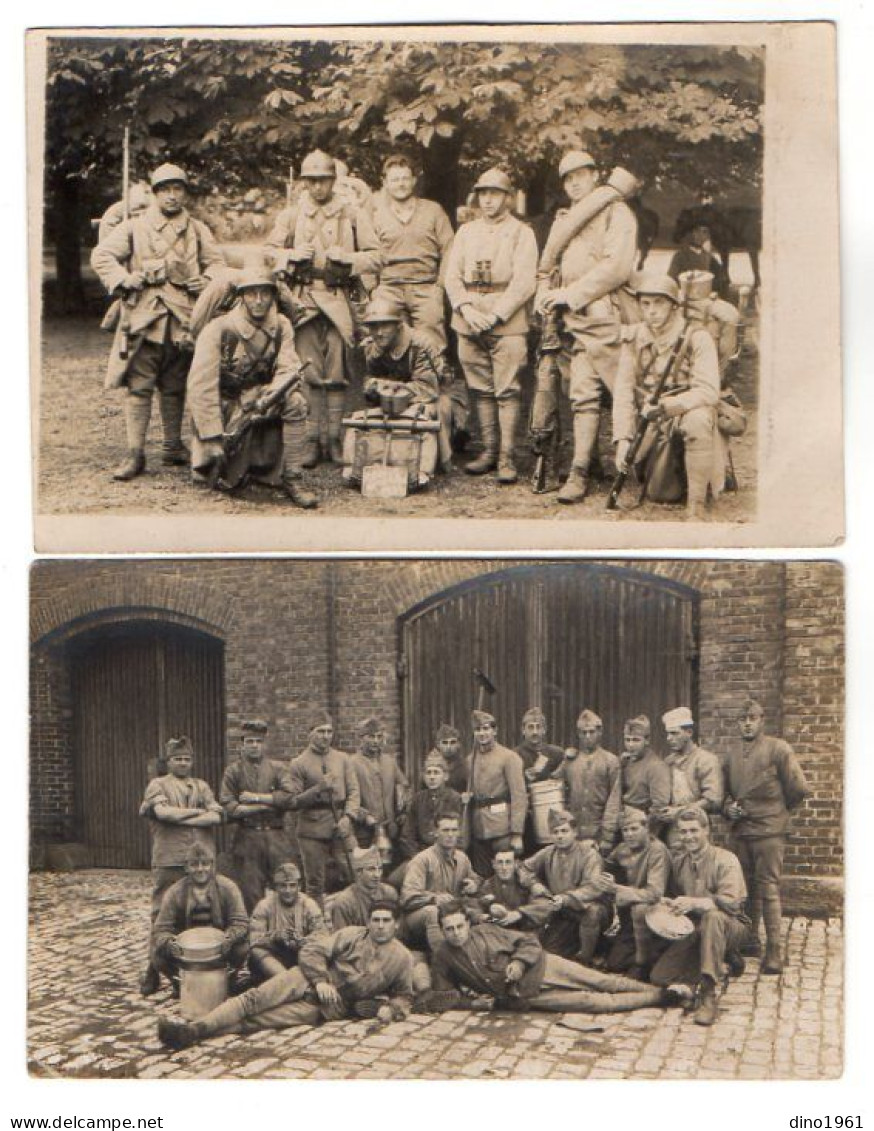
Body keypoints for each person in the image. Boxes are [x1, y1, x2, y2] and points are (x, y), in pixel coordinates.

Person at [91, 163, 225, 480]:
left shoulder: (197, 229)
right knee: (139, 387)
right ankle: (135, 454)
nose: (172, 196)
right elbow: (102, 256)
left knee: (175, 386)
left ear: (185, 193)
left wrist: (206, 278)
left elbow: (218, 264)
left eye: (177, 189)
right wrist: (124, 279)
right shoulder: (135, 227)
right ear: (155, 194)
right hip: (143, 317)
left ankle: (171, 446)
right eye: (165, 189)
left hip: (184, 317)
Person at [158, 902, 414, 1048]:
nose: (380, 926)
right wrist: (321, 980)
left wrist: (391, 1010)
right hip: (304, 977)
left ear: (397, 924)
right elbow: (313, 950)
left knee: (258, 1021)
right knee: (253, 999)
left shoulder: (402, 959)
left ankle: (197, 1034)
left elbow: (404, 996)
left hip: (329, 1007)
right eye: (376, 920)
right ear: (369, 921)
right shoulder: (352, 935)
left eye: (386, 921)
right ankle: (194, 1029)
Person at [264, 149, 381, 467]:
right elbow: (269, 252)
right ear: (304, 183)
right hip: (303, 300)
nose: (318, 187)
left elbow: (376, 256)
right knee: (308, 370)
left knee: (338, 373)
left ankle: (335, 439)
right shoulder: (291, 215)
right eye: (312, 181)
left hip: (338, 297)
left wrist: (350, 259)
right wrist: (290, 254)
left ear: (333, 180)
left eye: (324, 180)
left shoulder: (353, 214)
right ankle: (312, 440)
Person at [535, 150, 637, 504]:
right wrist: (545, 294)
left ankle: (637, 468)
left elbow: (616, 268)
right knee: (582, 393)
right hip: (575, 322)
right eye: (568, 178)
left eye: (581, 174)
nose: (575, 182)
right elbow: (549, 268)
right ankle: (581, 470)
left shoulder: (616, 212)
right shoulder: (566, 219)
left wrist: (570, 294)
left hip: (610, 318)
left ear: (596, 175)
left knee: (627, 393)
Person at [185, 266, 318, 508]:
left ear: (273, 296)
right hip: (228, 408)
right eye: (251, 294)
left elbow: (289, 366)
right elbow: (201, 387)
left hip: (262, 400)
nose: (258, 301)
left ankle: (293, 477)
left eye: (265, 294)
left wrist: (274, 391)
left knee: (296, 402)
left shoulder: (281, 325)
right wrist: (213, 437)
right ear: (241, 297)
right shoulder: (218, 329)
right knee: (219, 474)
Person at [444, 167, 538, 483]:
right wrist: (467, 309)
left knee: (507, 390)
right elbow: (451, 277)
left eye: (495, 193)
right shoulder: (466, 232)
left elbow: (525, 282)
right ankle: (488, 450)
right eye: (483, 193)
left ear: (508, 197)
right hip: (469, 317)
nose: (488, 200)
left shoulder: (522, 233)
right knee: (480, 389)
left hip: (507, 320)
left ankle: (507, 456)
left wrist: (497, 314)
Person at [429, 902, 678, 1015]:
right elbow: (443, 996)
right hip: (527, 995)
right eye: (449, 929)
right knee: (595, 1003)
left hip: (545, 967)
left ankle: (663, 991)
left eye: (459, 926)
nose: (456, 933)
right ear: (441, 930)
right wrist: (472, 1004)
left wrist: (518, 962)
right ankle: (663, 998)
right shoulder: (443, 957)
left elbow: (528, 940)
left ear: (467, 923)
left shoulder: (487, 931)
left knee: (605, 982)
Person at [612, 272, 722, 520]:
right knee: (658, 492)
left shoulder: (697, 337)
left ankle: (696, 504)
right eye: (645, 304)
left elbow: (708, 391)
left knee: (699, 419)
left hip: (686, 410)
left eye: (659, 303)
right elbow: (623, 392)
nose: (651, 311)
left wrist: (668, 406)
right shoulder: (634, 337)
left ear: (674, 304)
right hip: (650, 422)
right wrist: (622, 440)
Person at [723, 699, 809, 973]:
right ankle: (750, 939)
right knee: (746, 887)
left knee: (769, 887)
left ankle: (774, 951)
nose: (747, 723)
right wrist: (729, 808)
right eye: (742, 718)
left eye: (752, 718)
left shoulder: (778, 749)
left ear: (762, 721)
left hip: (770, 831)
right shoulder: (732, 753)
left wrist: (777, 813)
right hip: (742, 831)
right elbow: (724, 792)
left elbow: (798, 788)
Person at [644, 808, 750, 1027]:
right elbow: (676, 898)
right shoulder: (680, 862)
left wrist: (694, 902)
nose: (688, 837)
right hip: (697, 929)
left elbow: (732, 903)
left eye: (694, 830)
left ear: (706, 830)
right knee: (660, 977)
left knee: (713, 918)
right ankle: (723, 961)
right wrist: (668, 903)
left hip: (731, 926)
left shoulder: (726, 859)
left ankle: (708, 994)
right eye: (683, 832)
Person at [137, 735, 224, 996]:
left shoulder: (202, 786)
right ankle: (154, 969)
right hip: (170, 858)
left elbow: (217, 815)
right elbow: (163, 814)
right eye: (178, 759)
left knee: (201, 912)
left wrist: (183, 817)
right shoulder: (158, 785)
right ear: (169, 761)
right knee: (162, 915)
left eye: (187, 759)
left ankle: (194, 970)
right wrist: (198, 814)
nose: (183, 763)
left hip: (201, 861)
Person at [343, 298, 453, 476]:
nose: (378, 333)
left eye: (385, 326)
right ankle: (361, 466)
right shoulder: (372, 346)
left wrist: (387, 386)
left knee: (424, 416)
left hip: (436, 394)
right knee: (362, 419)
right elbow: (371, 381)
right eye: (373, 327)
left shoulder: (421, 344)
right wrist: (372, 388)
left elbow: (429, 390)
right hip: (394, 400)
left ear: (398, 325)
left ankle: (424, 470)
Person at [366, 155, 454, 349]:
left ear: (414, 180)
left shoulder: (433, 211)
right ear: (385, 183)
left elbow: (450, 248)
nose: (401, 184)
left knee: (431, 342)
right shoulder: (376, 215)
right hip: (389, 289)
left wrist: (439, 286)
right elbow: (367, 253)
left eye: (405, 179)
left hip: (426, 287)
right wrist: (372, 288)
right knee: (388, 342)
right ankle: (393, 380)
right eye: (395, 180)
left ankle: (432, 378)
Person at [219, 719, 296, 913]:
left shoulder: (278, 769)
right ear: (242, 744)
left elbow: (289, 797)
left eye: (258, 741)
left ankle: (286, 930)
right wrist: (266, 806)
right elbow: (229, 806)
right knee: (250, 891)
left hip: (277, 837)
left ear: (264, 744)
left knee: (286, 884)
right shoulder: (233, 771)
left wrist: (255, 798)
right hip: (247, 837)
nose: (254, 746)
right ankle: (255, 934)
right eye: (250, 741)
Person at [518, 807, 612, 963]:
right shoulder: (548, 852)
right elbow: (522, 867)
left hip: (587, 908)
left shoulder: (589, 854)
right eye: (555, 832)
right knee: (551, 951)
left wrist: (566, 898)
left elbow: (593, 888)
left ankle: (586, 959)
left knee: (593, 913)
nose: (560, 836)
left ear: (575, 832)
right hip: (562, 910)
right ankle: (588, 945)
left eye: (564, 831)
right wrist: (533, 884)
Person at [151, 843, 249, 992]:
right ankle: (180, 982)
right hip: (188, 952)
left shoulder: (228, 888)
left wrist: (229, 938)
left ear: (212, 865)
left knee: (242, 948)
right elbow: (160, 929)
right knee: (158, 955)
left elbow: (241, 922)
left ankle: (229, 978)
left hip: (219, 949)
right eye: (194, 864)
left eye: (205, 864)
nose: (200, 869)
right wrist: (171, 943)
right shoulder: (175, 892)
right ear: (186, 867)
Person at [285, 713, 361, 904]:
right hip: (312, 829)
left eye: (329, 731)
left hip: (341, 824)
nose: (326, 736)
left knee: (356, 872)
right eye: (321, 731)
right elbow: (293, 802)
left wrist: (349, 817)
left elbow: (354, 792)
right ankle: (317, 924)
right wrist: (318, 789)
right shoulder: (298, 763)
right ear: (310, 734)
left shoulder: (343, 759)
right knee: (315, 883)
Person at [598, 806, 672, 977]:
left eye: (634, 829)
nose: (629, 834)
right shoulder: (622, 849)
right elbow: (605, 867)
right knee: (615, 963)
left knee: (640, 908)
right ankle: (647, 953)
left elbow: (654, 894)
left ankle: (644, 963)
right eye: (625, 830)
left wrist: (617, 889)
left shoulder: (657, 850)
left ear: (646, 828)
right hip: (631, 918)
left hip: (658, 916)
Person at [400, 810, 481, 951]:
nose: (450, 835)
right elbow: (407, 898)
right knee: (432, 912)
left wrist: (474, 884)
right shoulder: (422, 860)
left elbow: (475, 878)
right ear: (435, 832)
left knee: (477, 911)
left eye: (454, 830)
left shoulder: (462, 858)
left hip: (450, 917)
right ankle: (442, 958)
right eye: (445, 830)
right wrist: (433, 898)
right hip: (419, 918)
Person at [464, 709, 527, 875]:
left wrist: (517, 833)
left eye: (486, 728)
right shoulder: (470, 760)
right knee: (482, 876)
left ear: (495, 731)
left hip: (503, 829)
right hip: (479, 830)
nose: (482, 733)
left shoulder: (509, 757)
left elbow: (519, 796)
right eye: (478, 730)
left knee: (506, 874)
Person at [554, 708, 622, 853]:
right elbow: (555, 787)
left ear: (600, 732)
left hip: (598, 832)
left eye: (591, 732)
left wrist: (607, 836)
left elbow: (614, 800)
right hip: (573, 832)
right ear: (578, 734)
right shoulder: (570, 760)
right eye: (583, 733)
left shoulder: (610, 761)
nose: (588, 736)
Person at [248, 862, 327, 984]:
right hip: (274, 960)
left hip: (301, 957)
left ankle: (294, 982)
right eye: (283, 886)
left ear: (299, 886)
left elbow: (323, 936)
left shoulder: (309, 905)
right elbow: (254, 940)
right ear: (276, 887)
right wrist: (276, 936)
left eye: (292, 885)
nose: (288, 890)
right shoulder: (264, 906)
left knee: (318, 953)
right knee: (256, 952)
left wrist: (302, 941)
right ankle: (288, 981)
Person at [656, 707, 723, 850]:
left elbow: (714, 800)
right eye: (668, 734)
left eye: (674, 733)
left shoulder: (706, 760)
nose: (669, 739)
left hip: (696, 829)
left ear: (689, 733)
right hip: (672, 830)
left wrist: (679, 811)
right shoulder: (668, 761)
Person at [349, 716, 409, 860]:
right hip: (364, 831)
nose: (376, 741)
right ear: (362, 738)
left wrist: (403, 809)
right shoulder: (352, 763)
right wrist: (364, 816)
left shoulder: (390, 762)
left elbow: (404, 786)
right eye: (371, 737)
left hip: (390, 829)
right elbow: (348, 797)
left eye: (379, 737)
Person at [395, 750, 463, 865]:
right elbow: (407, 835)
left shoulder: (455, 799)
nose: (432, 777)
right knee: (393, 880)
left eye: (436, 773)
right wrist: (417, 857)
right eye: (428, 773)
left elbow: (461, 837)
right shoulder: (418, 799)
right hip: (421, 854)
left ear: (445, 776)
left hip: (448, 855)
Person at [515, 707, 565, 853]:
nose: (535, 732)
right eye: (530, 727)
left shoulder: (556, 754)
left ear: (545, 730)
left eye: (539, 727)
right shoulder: (514, 756)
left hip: (553, 819)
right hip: (527, 820)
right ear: (523, 730)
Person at [477, 846, 553, 931]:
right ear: (493, 864)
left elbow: (546, 903)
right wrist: (481, 916)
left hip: (525, 932)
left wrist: (520, 913)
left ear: (515, 864)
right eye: (500, 862)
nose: (504, 867)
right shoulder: (488, 884)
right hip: (498, 933)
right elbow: (474, 904)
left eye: (508, 862)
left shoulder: (526, 881)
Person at [329, 846, 400, 930]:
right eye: (371, 869)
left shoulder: (389, 893)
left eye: (380, 869)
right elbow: (341, 938)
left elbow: (397, 927)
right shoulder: (344, 902)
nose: (377, 875)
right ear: (359, 872)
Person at [619, 714, 672, 820]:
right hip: (625, 818)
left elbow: (660, 805)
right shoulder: (625, 762)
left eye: (636, 740)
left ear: (647, 740)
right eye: (627, 740)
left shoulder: (656, 766)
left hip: (644, 820)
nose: (631, 745)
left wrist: (644, 824)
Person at [668, 222, 730, 299]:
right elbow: (671, 279)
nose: (699, 235)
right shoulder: (680, 256)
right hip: (686, 298)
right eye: (696, 231)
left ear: (708, 236)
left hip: (707, 298)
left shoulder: (710, 258)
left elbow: (722, 278)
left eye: (704, 232)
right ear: (691, 233)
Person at [428, 724, 468, 793]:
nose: (448, 747)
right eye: (445, 743)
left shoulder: (465, 766)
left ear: (458, 744)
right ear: (438, 744)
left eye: (452, 742)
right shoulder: (431, 766)